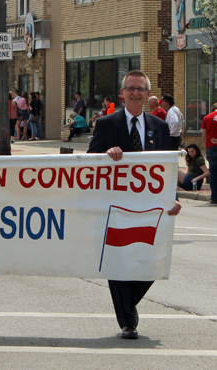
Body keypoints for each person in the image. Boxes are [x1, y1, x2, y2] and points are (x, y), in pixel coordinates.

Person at [88, 70, 181, 340]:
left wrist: (172, 197)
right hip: (116, 208)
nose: (136, 93)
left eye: (141, 88)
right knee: (118, 263)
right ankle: (128, 321)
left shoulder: (159, 127)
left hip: (150, 208)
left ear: (147, 93)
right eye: (131, 88)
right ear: (122, 93)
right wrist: (106, 155)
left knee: (150, 261)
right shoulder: (106, 124)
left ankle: (129, 306)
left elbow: (166, 169)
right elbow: (90, 162)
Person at [201, 102, 217, 205]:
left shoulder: (207, 118)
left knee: (214, 173)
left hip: (212, 148)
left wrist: (206, 151)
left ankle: (214, 197)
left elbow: (204, 137)